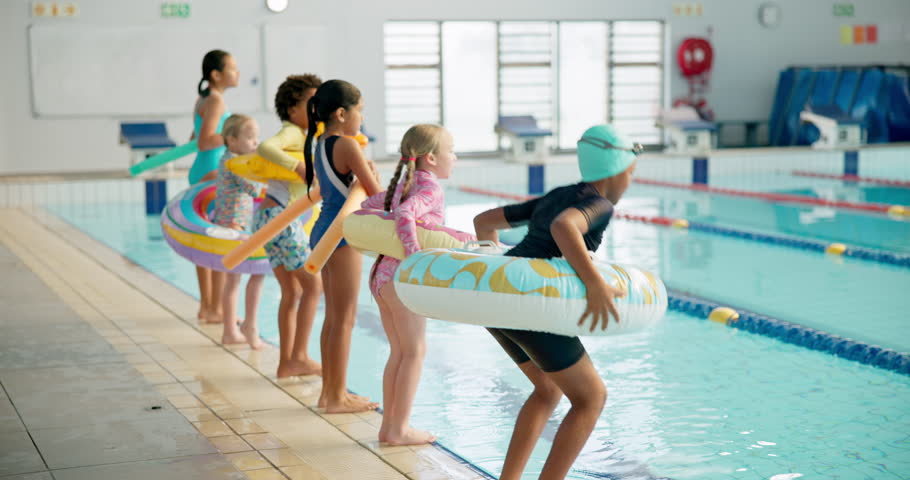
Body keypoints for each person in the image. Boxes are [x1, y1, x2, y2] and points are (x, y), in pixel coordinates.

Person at [471, 124, 639, 480]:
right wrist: (594, 284)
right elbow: (565, 227)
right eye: (631, 173)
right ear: (618, 170)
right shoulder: (600, 204)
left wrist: (493, 262)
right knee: (591, 398)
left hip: (496, 299)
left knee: (547, 389)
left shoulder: (558, 194)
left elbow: (483, 221)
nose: (630, 181)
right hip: (528, 305)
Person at [362, 124, 458, 445]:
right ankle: (399, 430)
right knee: (415, 352)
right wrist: (415, 256)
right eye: (451, 151)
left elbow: (367, 206)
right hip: (403, 278)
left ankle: (389, 427)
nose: (454, 157)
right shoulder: (430, 189)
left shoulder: (404, 183)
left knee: (400, 352)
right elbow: (404, 214)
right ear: (431, 158)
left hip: (381, 276)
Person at [302, 79, 383, 413]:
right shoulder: (348, 145)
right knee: (345, 319)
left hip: (323, 230)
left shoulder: (321, 141)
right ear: (341, 113)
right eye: (359, 110)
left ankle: (331, 393)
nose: (361, 117)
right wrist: (373, 170)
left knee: (333, 319)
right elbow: (376, 194)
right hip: (342, 234)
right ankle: (336, 397)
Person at [254, 74, 325, 378]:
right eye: (311, 103)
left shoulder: (306, 135)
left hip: (272, 217)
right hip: (281, 218)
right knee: (313, 285)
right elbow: (265, 148)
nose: (317, 109)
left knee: (292, 291)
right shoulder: (293, 133)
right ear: (292, 108)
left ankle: (286, 362)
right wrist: (297, 166)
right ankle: (299, 356)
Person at [190, 49, 238, 323]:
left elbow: (194, 135)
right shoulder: (216, 101)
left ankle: (208, 307)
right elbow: (205, 140)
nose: (237, 73)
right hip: (212, 173)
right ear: (216, 75)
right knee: (218, 242)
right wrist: (234, 135)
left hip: (201, 171)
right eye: (232, 68)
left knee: (206, 241)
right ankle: (215, 309)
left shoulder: (204, 99)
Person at [210, 114, 266, 349]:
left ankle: (232, 329)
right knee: (237, 279)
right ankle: (231, 331)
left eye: (257, 138)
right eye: (250, 138)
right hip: (233, 226)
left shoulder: (227, 159)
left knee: (233, 281)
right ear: (232, 141)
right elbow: (254, 189)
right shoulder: (234, 163)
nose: (255, 143)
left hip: (231, 222)